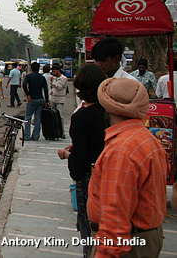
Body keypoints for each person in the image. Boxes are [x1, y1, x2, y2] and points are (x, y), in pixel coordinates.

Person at [87, 78, 167, 258]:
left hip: (129, 243)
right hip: (145, 237)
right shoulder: (146, 138)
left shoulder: (122, 149)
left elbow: (115, 219)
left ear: (107, 108)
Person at [56, 63, 107, 258]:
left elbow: (79, 161)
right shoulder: (109, 113)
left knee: (89, 228)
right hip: (109, 174)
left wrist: (68, 154)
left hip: (89, 177)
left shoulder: (81, 117)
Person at [21, 61, 49, 141]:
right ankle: (35, 136)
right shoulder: (42, 77)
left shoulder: (29, 76)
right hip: (40, 98)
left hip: (32, 99)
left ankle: (27, 136)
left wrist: (28, 94)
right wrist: (46, 101)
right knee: (38, 118)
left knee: (28, 118)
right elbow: (46, 90)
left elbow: (24, 85)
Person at [49, 63, 69, 138]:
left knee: (59, 116)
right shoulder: (53, 78)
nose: (53, 73)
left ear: (58, 70)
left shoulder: (64, 78)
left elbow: (60, 87)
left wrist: (53, 82)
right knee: (52, 116)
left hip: (60, 99)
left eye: (54, 71)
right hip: (53, 98)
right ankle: (53, 132)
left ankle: (62, 132)